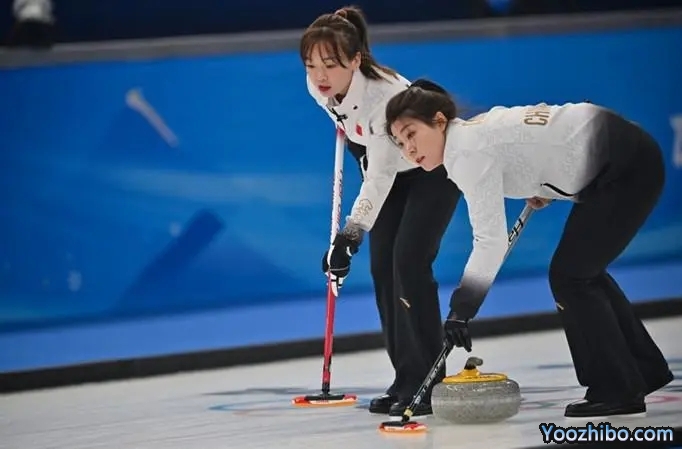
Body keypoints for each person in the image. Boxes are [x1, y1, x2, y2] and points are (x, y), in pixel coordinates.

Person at [383, 79, 674, 418]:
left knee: (573, 277)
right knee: (581, 274)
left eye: (411, 134)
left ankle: (618, 388)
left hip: (624, 166)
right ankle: (642, 370)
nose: (408, 150)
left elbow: (490, 242)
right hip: (623, 153)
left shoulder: (467, 154)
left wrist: (461, 309)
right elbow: (537, 143)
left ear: (438, 120)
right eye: (400, 143)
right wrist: (543, 183)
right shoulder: (472, 135)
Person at [299, 8, 462, 418]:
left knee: (409, 263)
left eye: (330, 65)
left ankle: (430, 382)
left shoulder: (383, 99)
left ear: (356, 60)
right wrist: (353, 136)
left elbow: (380, 177)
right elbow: (364, 149)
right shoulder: (317, 88)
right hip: (387, 168)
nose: (320, 75)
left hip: (432, 168)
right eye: (312, 65)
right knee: (383, 270)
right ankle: (406, 378)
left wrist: (349, 237)